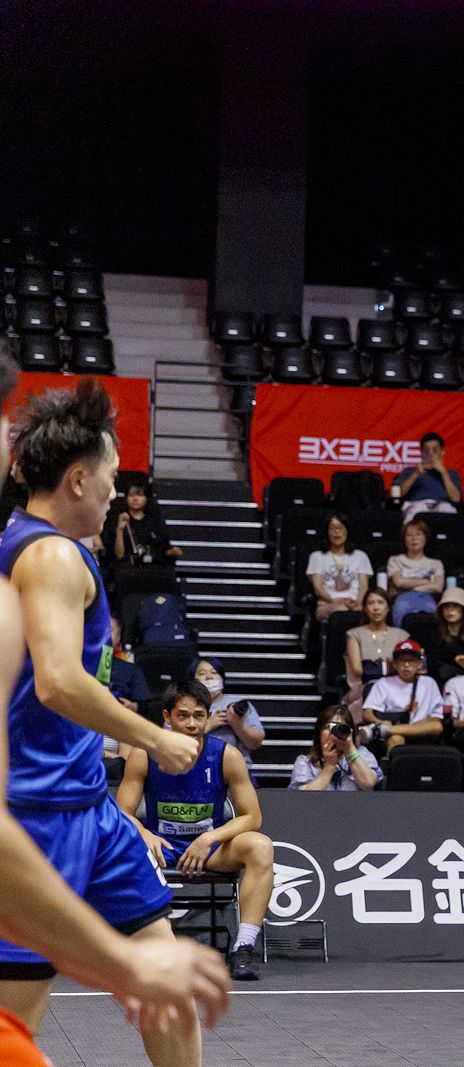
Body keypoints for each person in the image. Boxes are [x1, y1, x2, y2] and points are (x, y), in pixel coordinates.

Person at [0, 364, 230, 1066]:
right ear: (77, 479)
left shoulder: (43, 547)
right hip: (37, 818)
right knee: (13, 1024)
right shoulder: (50, 554)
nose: (114, 491)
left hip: (90, 811)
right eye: (110, 476)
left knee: (166, 983)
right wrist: (155, 736)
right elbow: (59, 682)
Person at [117, 681, 276, 982]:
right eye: (183, 715)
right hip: (160, 847)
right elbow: (122, 812)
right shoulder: (144, 754)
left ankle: (243, 948)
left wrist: (210, 837)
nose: (192, 724)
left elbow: (252, 816)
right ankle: (127, 946)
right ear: (167, 716)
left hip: (209, 849)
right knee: (118, 844)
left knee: (260, 846)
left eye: (199, 716)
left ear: (208, 716)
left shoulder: (227, 756)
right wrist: (144, 834)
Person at [362, 640, 444, 753]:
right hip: (393, 729)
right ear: (395, 664)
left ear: (419, 664)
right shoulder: (383, 683)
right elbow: (367, 713)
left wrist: (408, 728)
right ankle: (387, 733)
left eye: (411, 660)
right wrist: (379, 722)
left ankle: (383, 730)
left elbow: (436, 718)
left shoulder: (429, 683)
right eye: (402, 660)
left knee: (436, 726)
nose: (406, 665)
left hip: (420, 731)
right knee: (396, 739)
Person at [190, 657, 265, 769]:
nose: (209, 677)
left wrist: (238, 725)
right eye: (202, 673)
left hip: (236, 770)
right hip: (195, 768)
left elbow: (255, 743)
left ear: (222, 678)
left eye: (214, 672)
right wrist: (209, 725)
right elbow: (173, 741)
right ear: (193, 679)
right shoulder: (184, 705)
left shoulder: (238, 705)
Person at [343, 587, 409, 711]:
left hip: (397, 688)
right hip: (363, 688)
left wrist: (373, 666)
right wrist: (388, 665)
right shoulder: (354, 634)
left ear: (388, 608)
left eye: (380, 602)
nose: (376, 607)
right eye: (371, 603)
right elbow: (358, 670)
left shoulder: (401, 635)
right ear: (365, 608)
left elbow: (405, 667)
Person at [289, 705, 382, 791]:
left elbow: (368, 784)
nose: (334, 733)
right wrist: (330, 765)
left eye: (341, 727)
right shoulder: (305, 763)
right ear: (319, 732)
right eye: (329, 727)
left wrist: (350, 750)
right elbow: (305, 799)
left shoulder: (362, 754)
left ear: (350, 732)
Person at [305, 512, 372, 621]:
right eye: (332, 528)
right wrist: (336, 602)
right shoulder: (317, 557)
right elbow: (318, 589)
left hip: (355, 603)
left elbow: (364, 587)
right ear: (327, 532)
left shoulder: (361, 556)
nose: (337, 532)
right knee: (342, 610)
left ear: (347, 531)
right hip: (327, 604)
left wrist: (357, 603)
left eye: (341, 528)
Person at [106, 478, 181, 572]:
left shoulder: (155, 520)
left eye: (140, 495)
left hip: (153, 569)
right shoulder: (120, 519)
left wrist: (173, 551)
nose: (135, 499)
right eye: (131, 495)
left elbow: (163, 549)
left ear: (147, 498)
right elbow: (119, 555)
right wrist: (120, 530)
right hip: (127, 570)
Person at [391, 431, 463, 523]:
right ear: (421, 453)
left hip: (442, 505)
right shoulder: (409, 471)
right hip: (416, 505)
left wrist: (443, 472)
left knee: (447, 509)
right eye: (426, 451)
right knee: (417, 508)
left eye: (435, 450)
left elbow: (456, 499)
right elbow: (398, 495)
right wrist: (415, 474)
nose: (430, 454)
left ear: (442, 452)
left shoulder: (452, 474)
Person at [385, 517, 445, 623]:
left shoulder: (435, 563)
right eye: (409, 535)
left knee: (433, 613)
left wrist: (411, 587)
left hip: (426, 598)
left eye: (418, 534)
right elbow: (399, 582)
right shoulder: (395, 560)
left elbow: (438, 587)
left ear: (425, 538)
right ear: (404, 540)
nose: (414, 538)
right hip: (402, 598)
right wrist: (426, 582)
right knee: (401, 610)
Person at [414, 586, 464, 686]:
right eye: (446, 606)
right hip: (437, 684)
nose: (450, 610)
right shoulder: (431, 635)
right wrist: (454, 662)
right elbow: (431, 662)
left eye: (455, 606)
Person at [107, 615, 156, 719]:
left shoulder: (129, 665)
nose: (103, 634)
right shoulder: (82, 660)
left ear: (118, 636)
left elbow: (145, 705)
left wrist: (133, 706)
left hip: (120, 718)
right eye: (100, 629)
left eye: (109, 630)